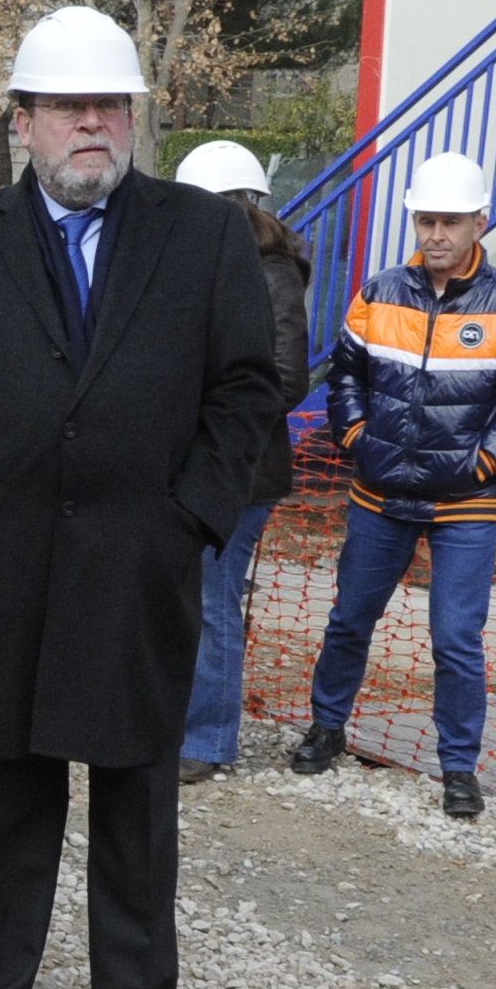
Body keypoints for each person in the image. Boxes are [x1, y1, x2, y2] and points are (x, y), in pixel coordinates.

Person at [0, 7, 284, 989]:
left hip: (140, 562)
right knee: (8, 782)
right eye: (68, 107)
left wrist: (192, 518)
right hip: (15, 559)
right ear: (22, 122)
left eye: (110, 105)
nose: (93, 126)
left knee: (137, 794)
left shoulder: (199, 235)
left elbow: (248, 389)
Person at [289, 151, 496, 818]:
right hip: (379, 497)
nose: (435, 234)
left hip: (466, 505)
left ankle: (457, 769)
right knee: (350, 620)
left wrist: (483, 465)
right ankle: (328, 727)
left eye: (449, 221)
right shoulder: (379, 294)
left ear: (479, 221)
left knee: (455, 641)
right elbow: (346, 375)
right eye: (425, 220)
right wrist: (357, 438)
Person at [172, 140, 312, 783]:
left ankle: (206, 740)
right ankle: (187, 725)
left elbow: (285, 378)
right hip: (202, 461)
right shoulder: (210, 262)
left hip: (241, 470)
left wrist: (204, 411)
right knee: (190, 594)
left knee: (212, 599)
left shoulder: (269, 273)